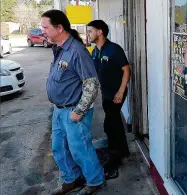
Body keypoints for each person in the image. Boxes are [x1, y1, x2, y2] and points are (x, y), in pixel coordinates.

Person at [41, 10, 106, 195]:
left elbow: (92, 85)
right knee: (59, 148)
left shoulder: (77, 51)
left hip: (73, 111)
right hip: (59, 110)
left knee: (80, 149)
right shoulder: (59, 48)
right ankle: (73, 179)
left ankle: (95, 180)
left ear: (59, 28)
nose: (42, 30)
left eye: (45, 27)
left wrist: (79, 111)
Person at [86, 20, 131, 178]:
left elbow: (126, 71)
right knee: (115, 122)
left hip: (117, 93)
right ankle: (124, 151)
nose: (88, 34)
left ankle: (114, 158)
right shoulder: (94, 51)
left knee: (110, 124)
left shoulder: (114, 49)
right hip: (106, 93)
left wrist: (121, 91)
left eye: (90, 31)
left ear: (100, 32)